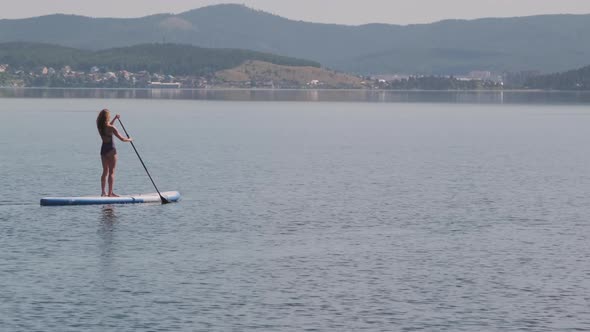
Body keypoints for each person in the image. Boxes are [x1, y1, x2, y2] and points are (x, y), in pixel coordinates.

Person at [96, 109, 132, 197]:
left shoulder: (99, 126)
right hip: (111, 150)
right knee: (111, 172)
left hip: (103, 150)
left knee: (105, 171)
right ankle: (110, 193)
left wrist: (115, 119)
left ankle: (103, 192)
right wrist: (130, 139)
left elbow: (108, 126)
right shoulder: (111, 128)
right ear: (107, 117)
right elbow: (122, 139)